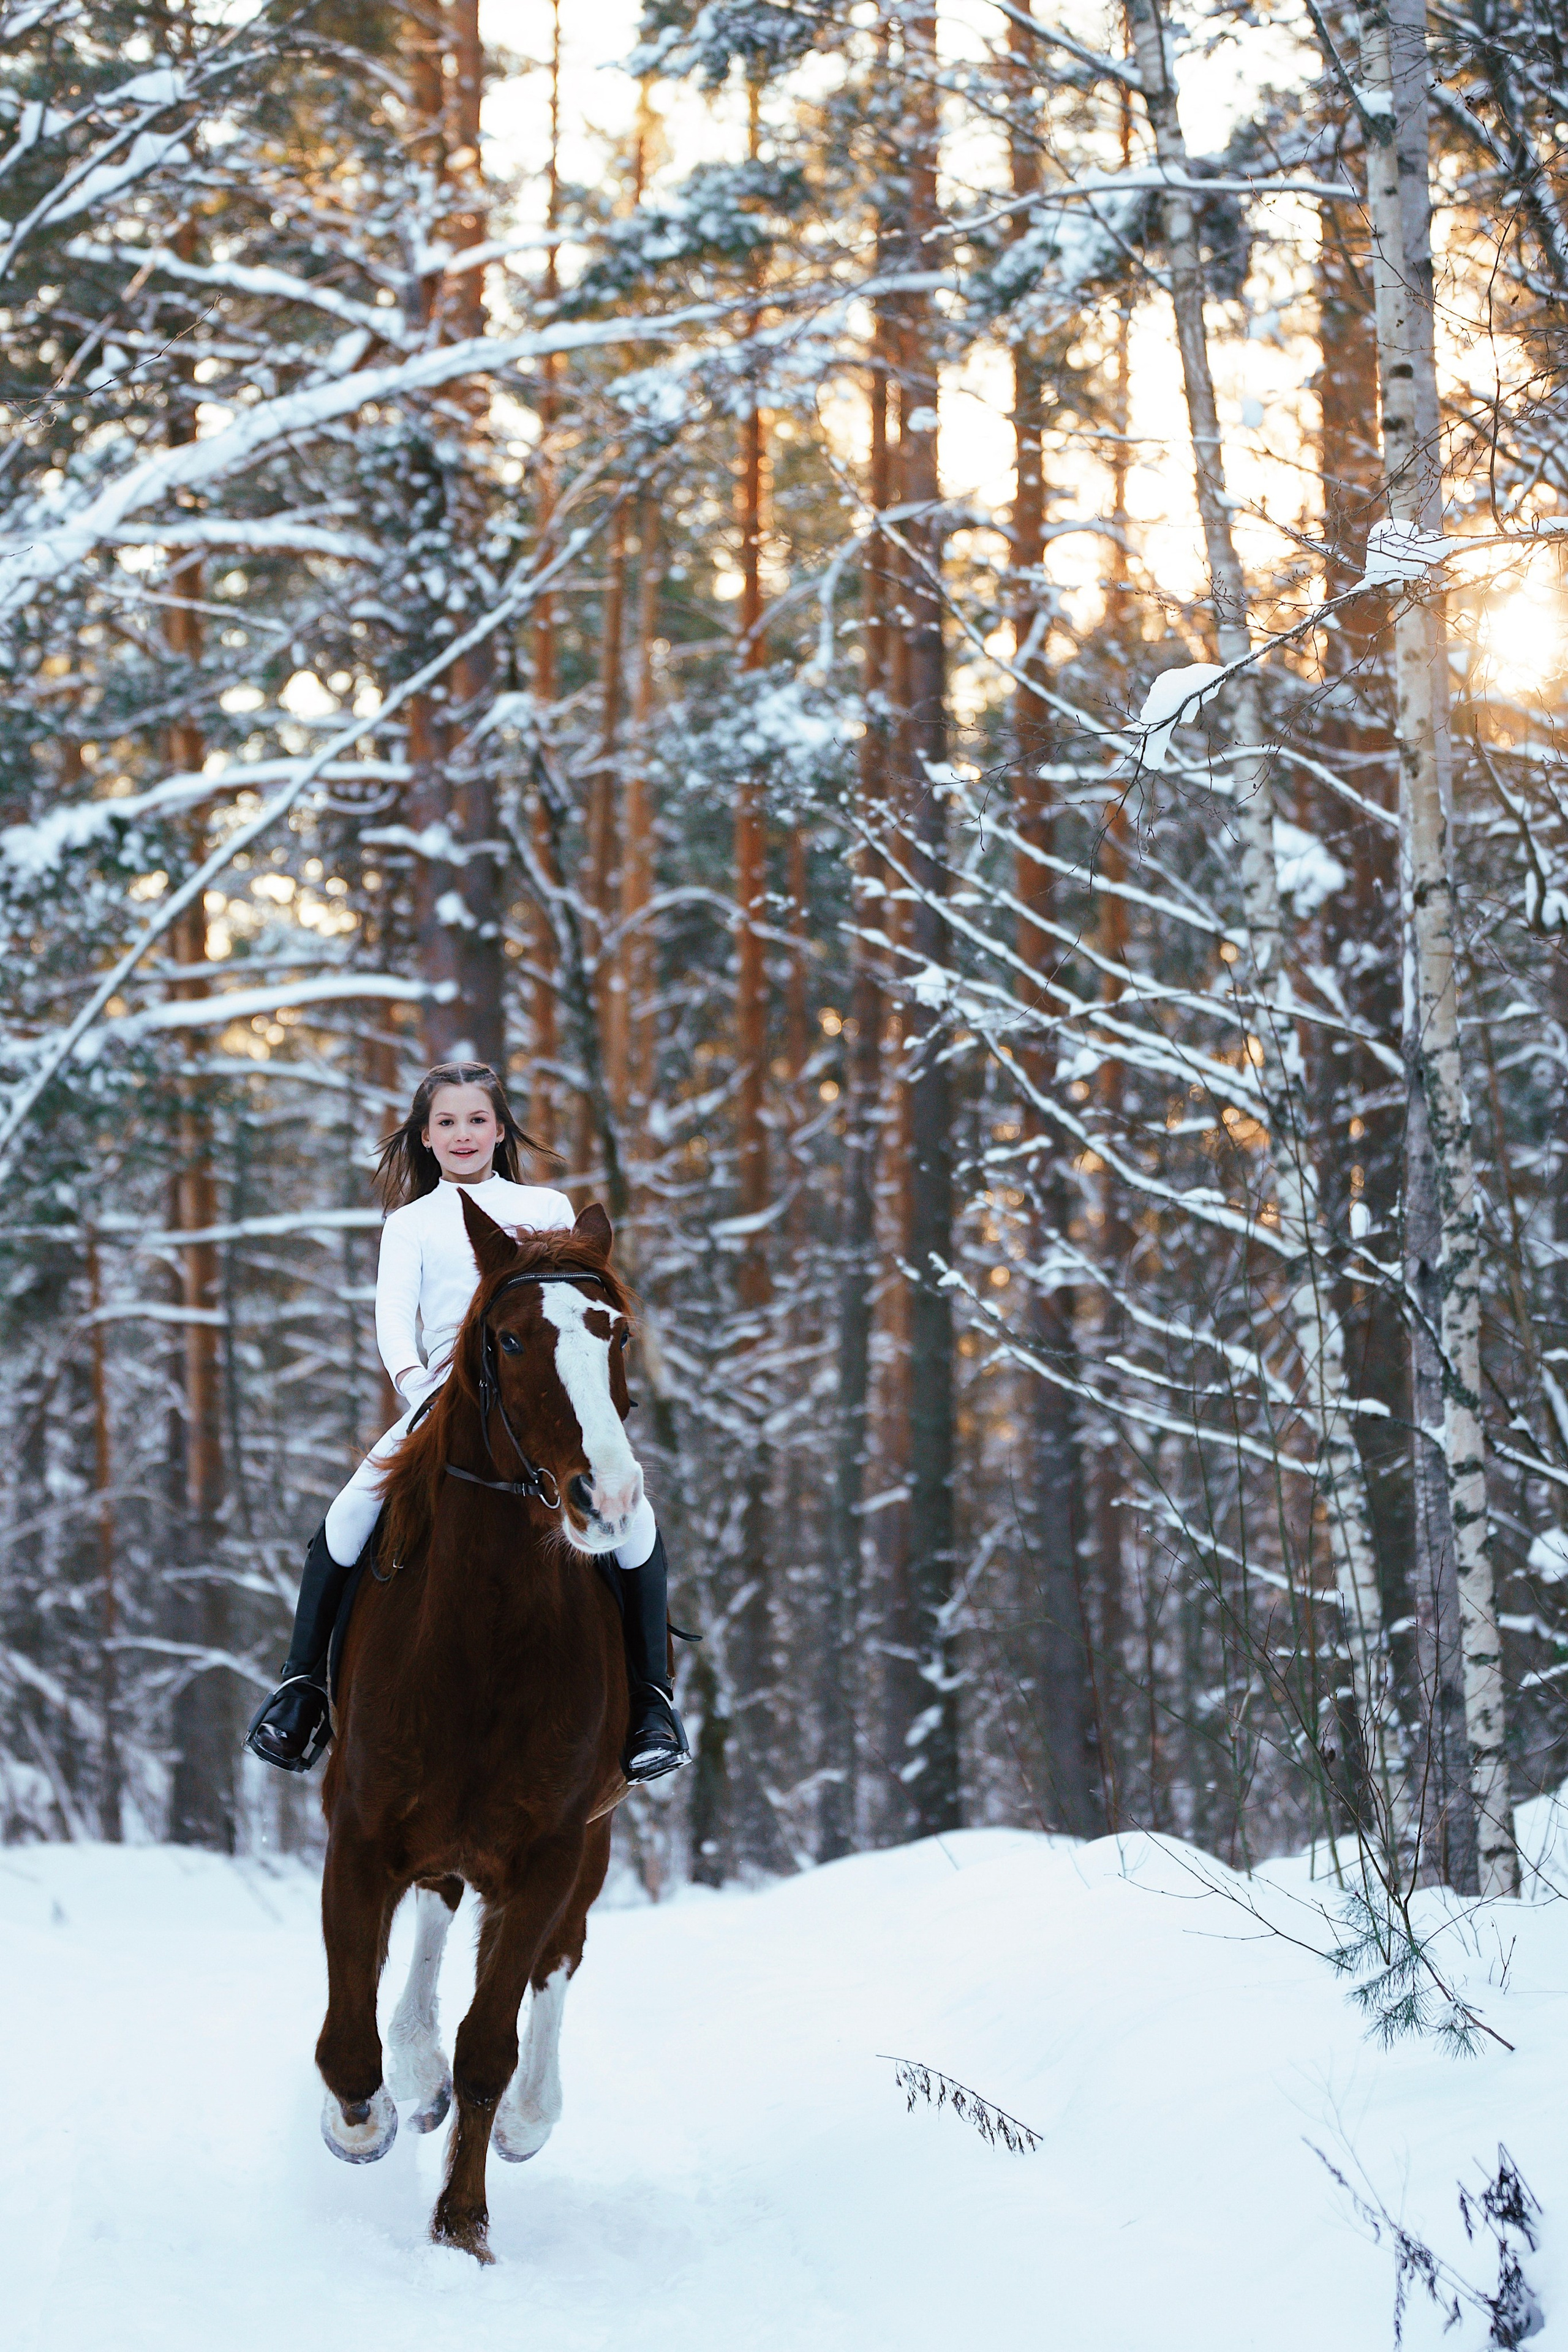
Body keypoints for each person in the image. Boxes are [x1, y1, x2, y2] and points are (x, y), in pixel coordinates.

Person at [243, 1061, 689, 1784]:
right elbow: (394, 1319)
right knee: (349, 1511)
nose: (462, 1133)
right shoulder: (410, 1224)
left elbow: (572, 1313)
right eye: (446, 1122)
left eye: (477, 1119)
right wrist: (417, 1383)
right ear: (424, 1137)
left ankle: (650, 1704)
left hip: (543, 1397)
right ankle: (302, 1691)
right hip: (445, 1395)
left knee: (634, 1519)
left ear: (500, 1129)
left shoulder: (547, 1205)